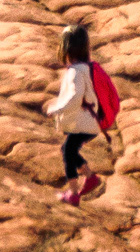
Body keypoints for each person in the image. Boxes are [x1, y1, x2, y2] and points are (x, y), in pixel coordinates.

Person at [45, 22, 121, 204]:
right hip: (91, 122)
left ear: (65, 48)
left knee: (68, 152)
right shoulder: (87, 67)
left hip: (85, 123)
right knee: (68, 149)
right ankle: (89, 177)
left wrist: (56, 109)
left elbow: (75, 97)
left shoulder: (75, 72)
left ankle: (73, 193)